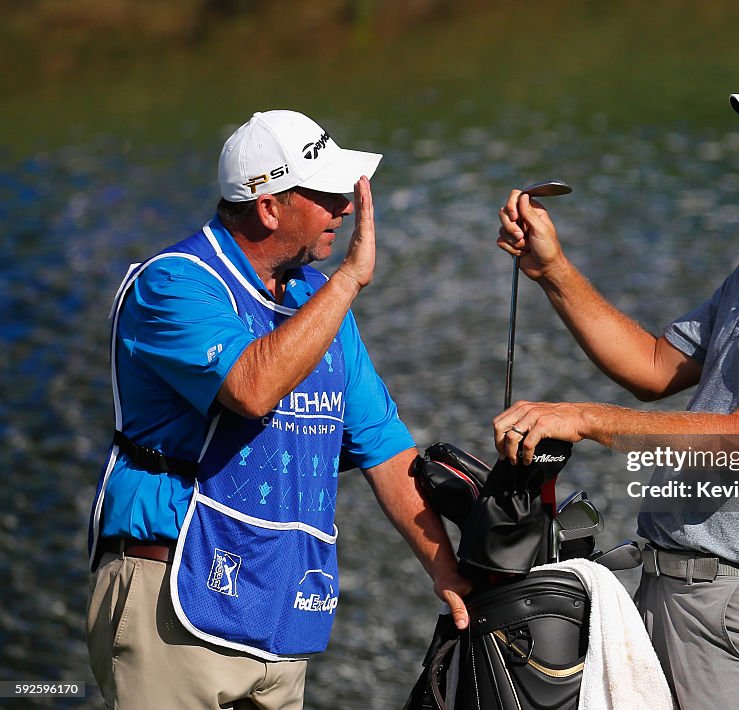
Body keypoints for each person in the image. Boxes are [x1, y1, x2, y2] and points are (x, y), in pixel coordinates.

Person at [492, 62, 739, 708]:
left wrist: (582, 419)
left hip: (736, 618)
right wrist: (553, 271)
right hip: (666, 592)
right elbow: (654, 367)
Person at [86, 109, 470, 709]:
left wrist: (447, 574)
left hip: (278, 609)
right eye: (327, 195)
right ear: (269, 207)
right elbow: (251, 387)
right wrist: (349, 282)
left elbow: (383, 442)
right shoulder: (173, 285)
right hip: (173, 601)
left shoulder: (313, 297)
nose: (346, 208)